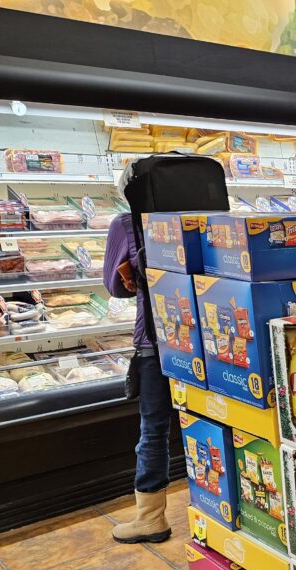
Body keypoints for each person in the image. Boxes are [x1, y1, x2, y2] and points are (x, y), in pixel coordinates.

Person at [103, 212, 172, 543]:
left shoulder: (126, 223)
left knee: (154, 429)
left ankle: (151, 517)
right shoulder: (206, 211)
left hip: (156, 340)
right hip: (212, 338)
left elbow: (114, 286)